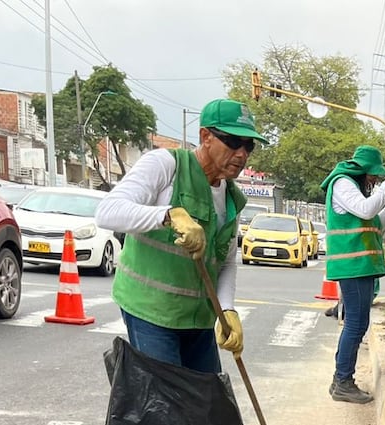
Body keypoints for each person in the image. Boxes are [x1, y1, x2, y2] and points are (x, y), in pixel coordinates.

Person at [96, 98, 265, 371]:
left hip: (198, 319)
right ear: (205, 136)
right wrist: (167, 215)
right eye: (233, 141)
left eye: (249, 146)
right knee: (166, 401)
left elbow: (226, 262)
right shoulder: (166, 165)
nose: (242, 154)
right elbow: (107, 211)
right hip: (151, 312)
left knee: (206, 402)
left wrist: (227, 310)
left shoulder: (233, 198)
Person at [321, 145, 385, 403]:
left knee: (359, 324)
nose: (376, 180)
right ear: (361, 170)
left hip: (362, 267)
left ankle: (341, 380)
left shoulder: (357, 191)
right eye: (374, 176)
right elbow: (368, 210)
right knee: (355, 324)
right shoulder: (343, 183)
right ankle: (343, 381)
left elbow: (376, 220)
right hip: (352, 267)